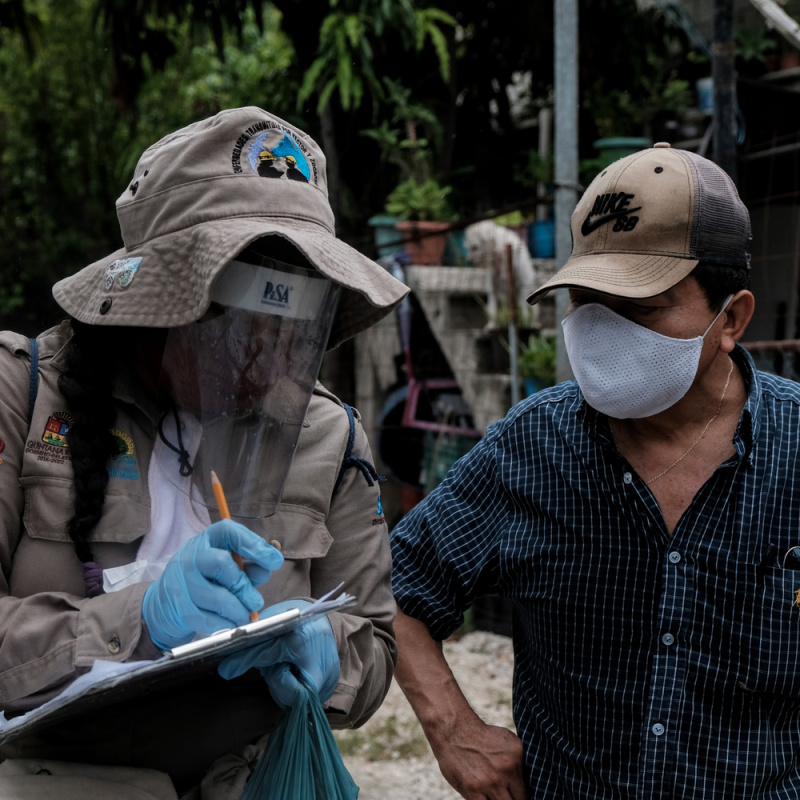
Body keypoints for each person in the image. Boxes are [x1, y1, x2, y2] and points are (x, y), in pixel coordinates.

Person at [0, 106, 408, 799]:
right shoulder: (24, 393)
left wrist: (324, 655)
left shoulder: (328, 432)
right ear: (161, 300)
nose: (266, 358)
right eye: (242, 324)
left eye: (293, 330)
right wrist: (139, 620)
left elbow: (373, 648)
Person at [389, 143, 800, 799]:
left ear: (733, 319)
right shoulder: (532, 446)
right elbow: (396, 586)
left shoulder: (795, 450)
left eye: (640, 307)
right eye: (585, 300)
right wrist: (454, 732)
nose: (604, 331)